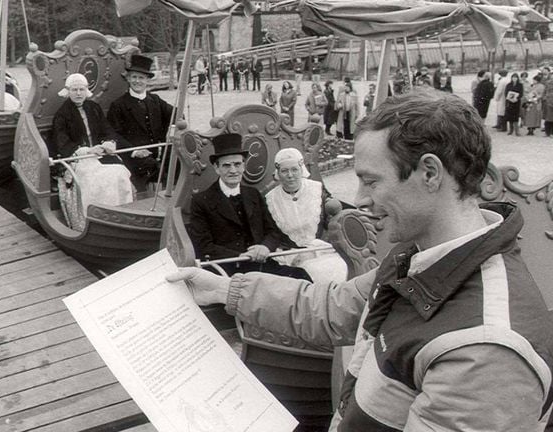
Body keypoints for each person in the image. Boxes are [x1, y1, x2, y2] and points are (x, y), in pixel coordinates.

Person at [168, 89, 553, 431]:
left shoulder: (484, 351)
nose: (361, 199)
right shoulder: (420, 258)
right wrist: (224, 288)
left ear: (430, 173)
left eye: (371, 181)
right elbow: (336, 307)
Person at [188, 133, 311, 280]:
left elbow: (273, 231)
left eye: (237, 164)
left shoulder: (253, 194)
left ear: (244, 165)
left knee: (301, 277)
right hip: (227, 270)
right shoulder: (201, 201)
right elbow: (204, 246)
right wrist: (240, 256)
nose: (233, 170)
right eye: (226, 165)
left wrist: (265, 247)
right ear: (216, 168)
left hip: (260, 265)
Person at [52, 74, 133, 231]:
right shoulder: (62, 114)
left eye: (82, 89)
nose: (78, 93)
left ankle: (121, 213)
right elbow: (62, 143)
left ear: (86, 90)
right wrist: (88, 150)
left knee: (120, 172)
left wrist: (108, 142)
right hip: (79, 157)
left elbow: (107, 130)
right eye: (74, 90)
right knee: (93, 178)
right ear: (68, 91)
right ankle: (95, 220)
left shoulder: (94, 108)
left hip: (100, 154)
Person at [265, 148, 347, 286]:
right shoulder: (270, 200)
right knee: (308, 274)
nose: (290, 175)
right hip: (291, 256)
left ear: (301, 169)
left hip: (321, 249)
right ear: (278, 173)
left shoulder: (316, 190)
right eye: (284, 171)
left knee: (338, 268)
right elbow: (272, 233)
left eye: (294, 170)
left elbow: (331, 221)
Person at [107, 54, 174, 192]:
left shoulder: (155, 100)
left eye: (141, 78)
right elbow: (114, 134)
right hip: (133, 157)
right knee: (153, 167)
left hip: (158, 151)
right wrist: (135, 151)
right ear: (128, 78)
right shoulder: (119, 105)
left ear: (147, 80)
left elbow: (176, 114)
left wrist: (172, 129)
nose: (137, 81)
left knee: (177, 161)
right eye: (134, 77)